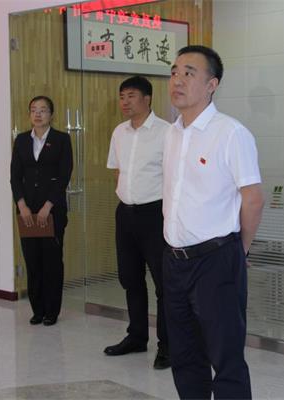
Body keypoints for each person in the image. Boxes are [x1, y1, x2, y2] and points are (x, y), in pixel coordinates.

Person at [163, 45, 265, 399]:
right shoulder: (171, 133)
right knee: (185, 356)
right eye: (174, 72)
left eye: (188, 73)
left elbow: (253, 199)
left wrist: (240, 250)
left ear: (212, 84)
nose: (177, 80)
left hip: (216, 260)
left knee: (226, 358)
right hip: (174, 261)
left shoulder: (231, 133)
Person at [104, 76, 171, 370]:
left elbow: (174, 178)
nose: (125, 102)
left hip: (155, 214)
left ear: (147, 98)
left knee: (163, 284)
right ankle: (136, 336)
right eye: (122, 97)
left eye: (131, 96)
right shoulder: (119, 132)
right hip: (126, 214)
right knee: (130, 278)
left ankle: (168, 345)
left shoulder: (166, 132)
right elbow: (117, 171)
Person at [10, 96, 73, 326]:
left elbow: (64, 176)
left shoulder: (61, 140)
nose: (38, 114)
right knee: (32, 260)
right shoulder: (21, 140)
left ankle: (51, 311)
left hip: (52, 212)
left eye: (43, 110)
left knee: (52, 262)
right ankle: (37, 310)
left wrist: (48, 206)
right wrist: (22, 206)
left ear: (51, 115)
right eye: (34, 110)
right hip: (26, 211)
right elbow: (15, 176)